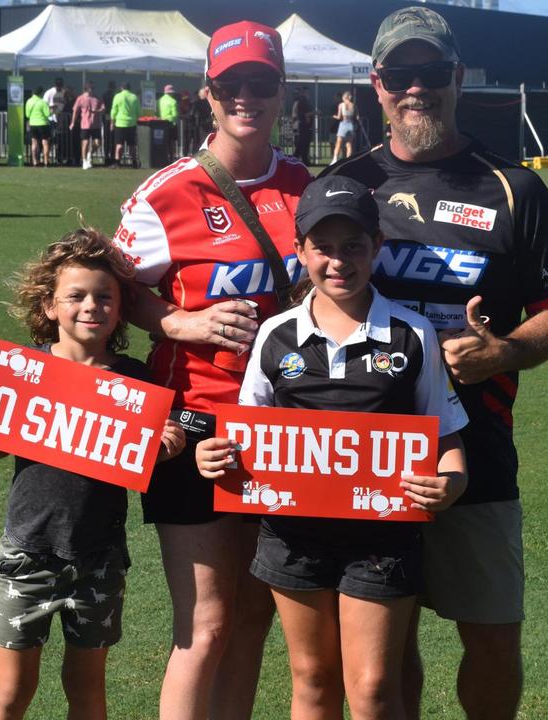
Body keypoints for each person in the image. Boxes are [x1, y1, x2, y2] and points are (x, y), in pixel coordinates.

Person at [323, 7, 548, 718]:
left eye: (431, 73)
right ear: (377, 84)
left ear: (457, 78)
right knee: (384, 653)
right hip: (369, 453)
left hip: (481, 446)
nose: (417, 88)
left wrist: (509, 350)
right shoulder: (344, 183)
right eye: (400, 75)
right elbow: (305, 306)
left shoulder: (514, 188)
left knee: (495, 637)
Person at [196, 175, 469, 720]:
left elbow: (448, 439)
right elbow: (244, 433)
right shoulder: (275, 335)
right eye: (322, 247)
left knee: (371, 688)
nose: (338, 261)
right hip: (293, 535)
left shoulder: (412, 333)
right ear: (300, 252)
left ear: (376, 249)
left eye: (354, 247)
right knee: (314, 680)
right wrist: (212, 456)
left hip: (383, 536)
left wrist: (451, 483)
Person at [112, 21, 312, 719]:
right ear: (208, 94)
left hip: (284, 431)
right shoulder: (167, 193)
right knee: (206, 623)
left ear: (282, 91)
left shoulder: (310, 189)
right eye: (232, 86)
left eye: (261, 84)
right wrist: (176, 321)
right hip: (191, 423)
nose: (246, 98)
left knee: (256, 617)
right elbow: (108, 288)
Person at [0, 228, 186, 720]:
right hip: (28, 552)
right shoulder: (26, 371)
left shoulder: (136, 380)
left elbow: (141, 460)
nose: (91, 306)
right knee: (11, 690)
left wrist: (166, 447)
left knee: (88, 690)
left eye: (104, 297)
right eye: (76, 296)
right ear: (49, 306)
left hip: (101, 556)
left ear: (121, 307)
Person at [70, 81, 104, 170]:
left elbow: (103, 108)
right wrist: (73, 122)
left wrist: (97, 111)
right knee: (85, 143)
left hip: (96, 124)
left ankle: (89, 154)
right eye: (91, 88)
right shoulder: (80, 98)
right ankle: (84, 161)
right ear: (86, 88)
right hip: (85, 125)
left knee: (97, 143)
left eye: (93, 88)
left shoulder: (97, 97)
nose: (92, 90)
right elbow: (75, 111)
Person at [110, 82, 140, 168]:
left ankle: (117, 162)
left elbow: (114, 111)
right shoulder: (134, 97)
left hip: (120, 123)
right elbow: (139, 112)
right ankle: (134, 162)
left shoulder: (117, 96)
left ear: (121, 88)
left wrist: (112, 122)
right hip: (131, 123)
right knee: (132, 145)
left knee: (119, 144)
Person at [23, 88, 50, 167]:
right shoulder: (43, 102)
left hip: (32, 124)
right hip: (43, 124)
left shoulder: (29, 101)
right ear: (41, 93)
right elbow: (47, 114)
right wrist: (52, 110)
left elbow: (27, 115)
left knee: (34, 143)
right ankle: (46, 161)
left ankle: (35, 161)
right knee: (45, 143)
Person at [291, 87, 314, 163]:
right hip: (303, 125)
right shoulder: (302, 101)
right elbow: (305, 114)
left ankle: (304, 159)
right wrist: (315, 113)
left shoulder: (301, 102)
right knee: (302, 143)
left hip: (302, 125)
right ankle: (296, 158)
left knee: (304, 143)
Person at [331, 91, 356, 164]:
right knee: (349, 144)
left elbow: (339, 117)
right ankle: (348, 161)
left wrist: (333, 116)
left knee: (338, 143)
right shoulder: (353, 105)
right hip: (351, 125)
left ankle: (335, 159)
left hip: (343, 124)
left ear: (344, 97)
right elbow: (356, 116)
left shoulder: (341, 105)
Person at [158, 84, 179, 165]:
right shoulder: (173, 101)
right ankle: (172, 158)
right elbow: (175, 115)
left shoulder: (159, 101)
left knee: (164, 142)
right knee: (172, 142)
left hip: (161, 123)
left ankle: (164, 157)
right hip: (171, 124)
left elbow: (157, 113)